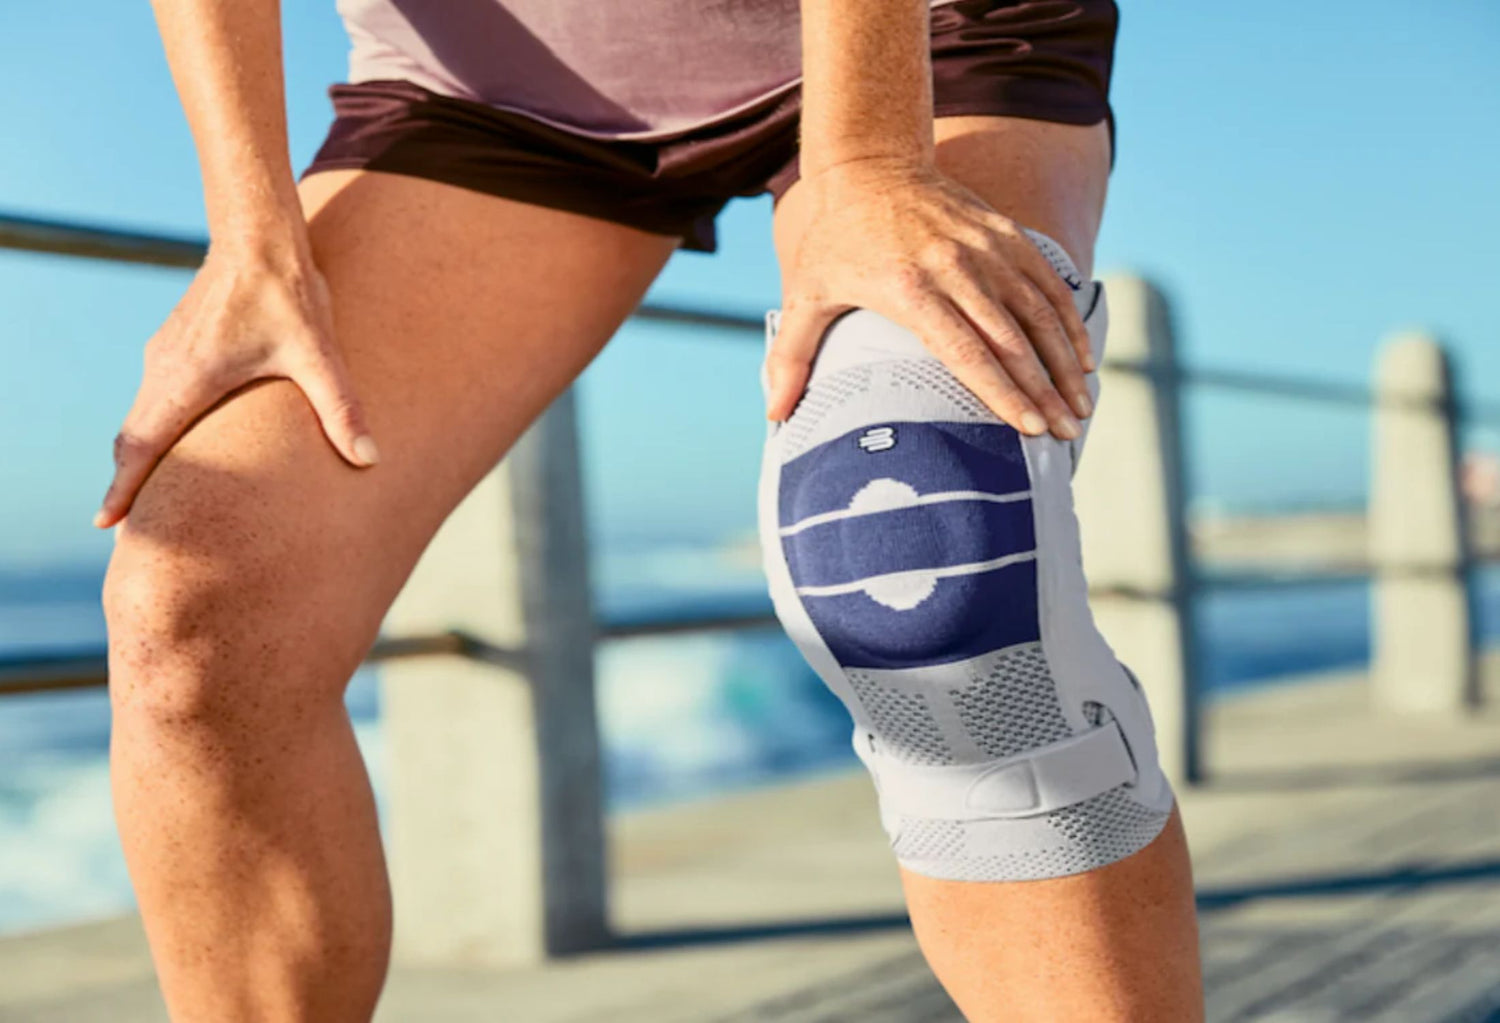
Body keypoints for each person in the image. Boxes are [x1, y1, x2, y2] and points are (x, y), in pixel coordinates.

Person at [98, 0, 1203, 1018]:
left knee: (918, 563)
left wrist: (867, 161)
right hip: (493, 92)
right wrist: (251, 237)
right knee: (198, 608)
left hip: (922, 36)